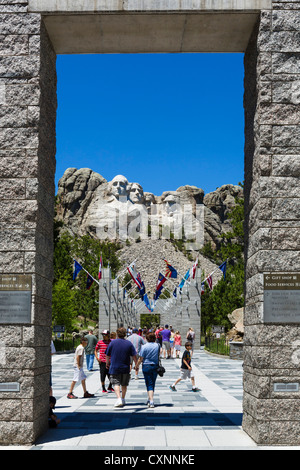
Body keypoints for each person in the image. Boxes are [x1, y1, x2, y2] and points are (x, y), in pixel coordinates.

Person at [105, 327, 138, 408]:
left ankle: (119, 398)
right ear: (125, 334)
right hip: (125, 367)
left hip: (115, 366)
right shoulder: (129, 343)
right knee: (124, 384)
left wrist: (107, 363)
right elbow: (134, 356)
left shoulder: (112, 343)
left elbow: (107, 354)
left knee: (116, 383)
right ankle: (123, 398)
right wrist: (136, 365)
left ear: (117, 334)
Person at [136, 332, 160, 408]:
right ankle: (150, 399)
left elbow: (141, 358)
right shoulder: (157, 345)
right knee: (153, 383)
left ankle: (151, 401)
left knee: (149, 383)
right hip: (155, 366)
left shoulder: (144, 347)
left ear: (146, 338)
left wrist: (136, 365)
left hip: (146, 366)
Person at [95, 330, 114, 394]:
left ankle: (110, 386)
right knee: (103, 375)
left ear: (108, 335)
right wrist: (97, 358)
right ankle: (103, 388)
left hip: (110, 361)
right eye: (102, 335)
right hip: (102, 361)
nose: (103, 336)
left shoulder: (111, 342)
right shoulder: (100, 342)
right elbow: (95, 350)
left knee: (111, 375)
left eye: (105, 335)